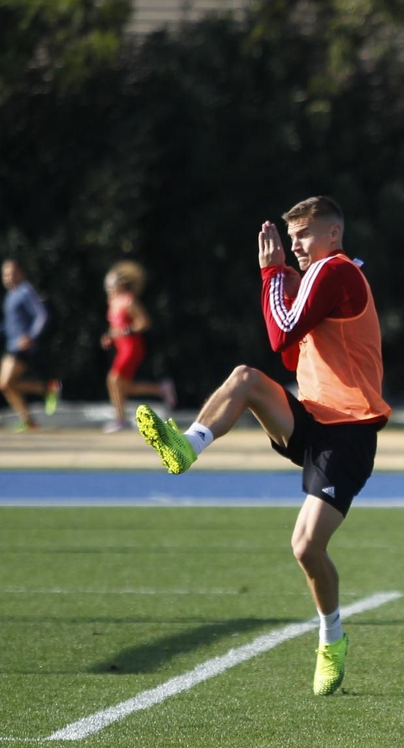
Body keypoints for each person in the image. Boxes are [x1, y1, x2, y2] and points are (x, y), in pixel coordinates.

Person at [135, 196, 389, 696]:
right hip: (312, 418)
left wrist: (272, 274)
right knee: (246, 379)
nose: (295, 246)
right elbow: (291, 355)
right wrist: (286, 285)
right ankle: (187, 446)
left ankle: (331, 639)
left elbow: (280, 335)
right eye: (291, 238)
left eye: (304, 235)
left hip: (349, 432)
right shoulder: (319, 278)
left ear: (334, 234)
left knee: (306, 547)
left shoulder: (334, 270)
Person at [0, 259, 59, 430]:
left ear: (21, 273)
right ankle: (30, 417)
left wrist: (32, 336)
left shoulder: (25, 291)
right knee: (4, 385)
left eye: (12, 273)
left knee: (6, 382)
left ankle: (47, 389)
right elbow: (10, 325)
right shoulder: (10, 295)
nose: (8, 277)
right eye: (5, 274)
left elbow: (42, 315)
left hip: (22, 346)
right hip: (11, 345)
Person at [100, 261, 176, 432]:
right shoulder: (112, 302)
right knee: (123, 386)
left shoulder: (129, 301)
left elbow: (144, 322)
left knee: (113, 380)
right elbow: (114, 327)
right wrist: (109, 336)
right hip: (121, 347)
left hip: (131, 347)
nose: (109, 287)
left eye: (112, 283)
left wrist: (125, 331)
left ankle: (120, 419)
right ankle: (160, 389)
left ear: (121, 284)